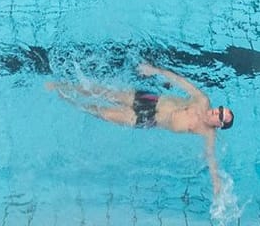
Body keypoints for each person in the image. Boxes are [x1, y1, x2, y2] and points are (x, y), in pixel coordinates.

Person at [49, 63, 234, 200]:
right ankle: (64, 86)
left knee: (103, 113)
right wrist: (154, 70)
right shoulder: (202, 100)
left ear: (218, 125)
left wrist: (216, 182)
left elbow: (211, 157)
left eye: (219, 116)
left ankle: (68, 101)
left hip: (148, 120)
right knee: (105, 93)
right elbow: (180, 81)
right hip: (151, 100)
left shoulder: (206, 132)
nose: (215, 111)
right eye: (219, 109)